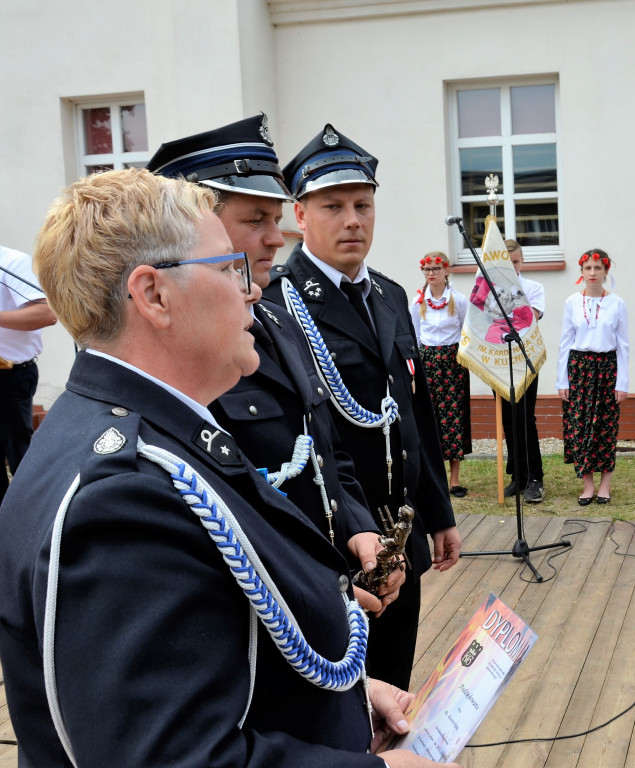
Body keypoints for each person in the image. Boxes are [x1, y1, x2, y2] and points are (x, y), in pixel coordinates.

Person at [0, 168, 458, 768]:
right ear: (154, 295)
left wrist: (343, 701)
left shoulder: (150, 429)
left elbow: (220, 658)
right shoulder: (120, 499)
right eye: (227, 269)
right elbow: (171, 757)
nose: (252, 291)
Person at [146, 114, 402, 618]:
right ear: (201, 229)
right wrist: (319, 594)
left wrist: (359, 529)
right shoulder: (183, 352)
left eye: (275, 218)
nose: (275, 238)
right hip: (272, 606)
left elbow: (326, 451)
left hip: (332, 585)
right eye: (255, 221)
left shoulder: (279, 321)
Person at [264, 125, 460, 691]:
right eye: (333, 206)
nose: (353, 219)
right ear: (300, 215)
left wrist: (438, 511)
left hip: (401, 532)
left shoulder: (392, 295)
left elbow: (411, 413)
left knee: (394, 680)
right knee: (338, 695)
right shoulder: (277, 307)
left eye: (362, 205)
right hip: (333, 543)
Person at [557, 249, 628, 504]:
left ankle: (605, 486)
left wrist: (622, 382)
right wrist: (561, 380)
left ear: (606, 271)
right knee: (579, 426)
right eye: (588, 268)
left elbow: (623, 345)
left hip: (607, 369)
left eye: (598, 268)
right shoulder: (571, 303)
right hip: (579, 369)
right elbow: (565, 342)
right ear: (582, 272)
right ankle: (587, 484)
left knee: (605, 427)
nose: (593, 273)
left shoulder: (617, 303)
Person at [409, 251, 472, 497]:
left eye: (436, 268)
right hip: (428, 363)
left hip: (452, 363)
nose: (431, 273)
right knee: (430, 418)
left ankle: (454, 480)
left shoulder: (459, 300)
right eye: (427, 269)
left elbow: (467, 333)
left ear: (447, 271)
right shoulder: (418, 302)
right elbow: (414, 336)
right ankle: (434, 478)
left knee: (453, 417)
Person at [0, 244, 55, 503]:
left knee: (19, 452)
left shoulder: (10, 263)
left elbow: (46, 313)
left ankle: (28, 515)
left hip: (9, 376)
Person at [499, 239, 546, 503]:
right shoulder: (491, 290)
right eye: (506, 263)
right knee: (507, 420)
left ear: (522, 261)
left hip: (524, 360)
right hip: (499, 360)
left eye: (515, 262)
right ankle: (518, 475)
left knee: (525, 419)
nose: (511, 267)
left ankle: (535, 477)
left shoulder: (533, 288)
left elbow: (530, 317)